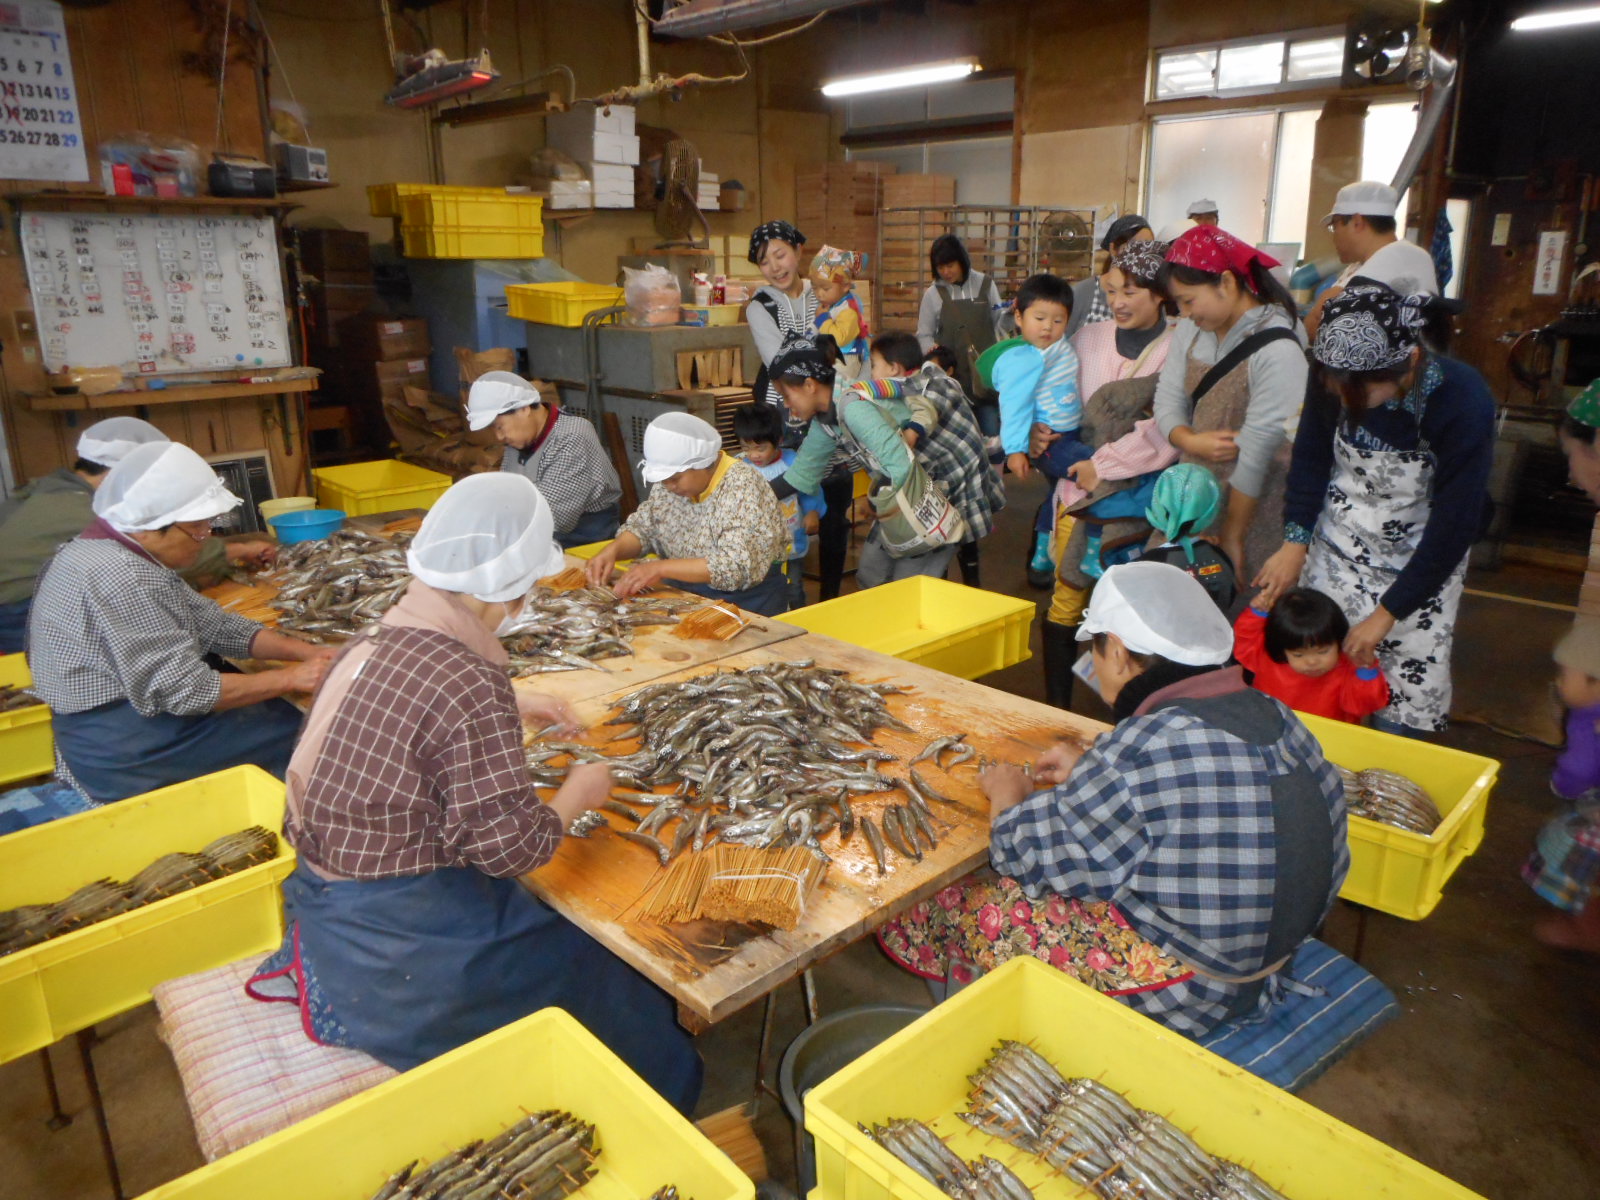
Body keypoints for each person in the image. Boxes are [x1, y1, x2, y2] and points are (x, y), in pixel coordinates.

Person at [246, 474, 702, 1109]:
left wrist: (521, 696)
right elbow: (512, 852)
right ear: (509, 590)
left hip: (326, 903)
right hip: (402, 941)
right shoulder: (466, 682)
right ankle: (661, 1100)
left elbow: (410, 690)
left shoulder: (371, 641)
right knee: (608, 980)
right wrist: (580, 789)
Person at [879, 561, 1347, 1039]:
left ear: (1119, 653)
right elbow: (1195, 791)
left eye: (1096, 650)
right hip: (1272, 957)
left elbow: (1024, 856)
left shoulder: (1145, 746)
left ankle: (986, 1036)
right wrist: (1092, 769)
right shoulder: (1274, 713)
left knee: (962, 900)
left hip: (1193, 988)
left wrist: (1009, 796)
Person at [26, 442, 333, 803]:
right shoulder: (123, 575)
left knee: (276, 710)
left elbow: (216, 626)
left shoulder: (115, 550)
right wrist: (290, 678)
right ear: (151, 528)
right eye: (197, 529)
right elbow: (189, 692)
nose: (206, 539)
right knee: (308, 728)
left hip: (123, 728)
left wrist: (303, 651)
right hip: (126, 749)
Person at [1253, 283, 1494, 736]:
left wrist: (1386, 614)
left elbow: (1455, 522)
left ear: (1411, 363)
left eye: (1361, 390)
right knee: (1315, 689)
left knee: (1400, 716)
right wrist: (1294, 542)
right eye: (1335, 385)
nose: (1345, 398)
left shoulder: (1462, 399)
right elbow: (1310, 458)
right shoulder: (1335, 371)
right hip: (1338, 547)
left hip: (1422, 563)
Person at [1038, 241, 1181, 702]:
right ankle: (1058, 709)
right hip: (1075, 494)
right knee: (1067, 597)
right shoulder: (1087, 338)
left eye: (1132, 291)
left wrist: (1100, 465)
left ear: (1161, 294)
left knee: (1125, 606)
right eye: (1112, 290)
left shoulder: (1178, 347)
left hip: (1134, 500)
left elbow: (1162, 428)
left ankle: (1125, 711)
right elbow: (1055, 396)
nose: (1118, 301)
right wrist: (1038, 432)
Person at [0, 417, 274, 652]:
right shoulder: (95, 514)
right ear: (119, 474)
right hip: (20, 613)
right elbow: (156, 560)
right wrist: (240, 550)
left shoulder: (51, 488)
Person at [768, 335, 995, 588]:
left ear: (809, 385)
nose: (787, 406)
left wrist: (875, 502)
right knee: (870, 576)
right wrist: (752, 492)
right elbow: (801, 473)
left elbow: (899, 464)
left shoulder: (853, 407)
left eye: (786, 396)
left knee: (908, 586)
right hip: (900, 490)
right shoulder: (826, 422)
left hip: (934, 485)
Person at [1153, 226, 1307, 581]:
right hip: (1191, 498)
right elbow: (1168, 398)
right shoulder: (1191, 332)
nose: (1184, 312)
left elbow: (1256, 454)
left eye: (1189, 300)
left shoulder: (1278, 349)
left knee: (1237, 606)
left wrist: (1233, 537)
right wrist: (1188, 440)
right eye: (1178, 303)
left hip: (1256, 504)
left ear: (1225, 282)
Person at [585, 412, 789, 615]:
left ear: (703, 464)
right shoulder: (669, 486)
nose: (668, 485)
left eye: (675, 478)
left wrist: (660, 568)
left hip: (746, 603)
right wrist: (614, 550)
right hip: (685, 593)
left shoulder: (743, 486)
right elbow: (645, 528)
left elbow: (734, 566)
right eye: (664, 479)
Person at [746, 219, 854, 600]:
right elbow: (778, 362)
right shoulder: (759, 306)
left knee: (836, 502)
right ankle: (786, 591)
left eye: (780, 254)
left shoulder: (823, 290)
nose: (775, 266)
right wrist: (826, 348)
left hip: (829, 403)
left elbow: (851, 338)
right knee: (787, 503)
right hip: (784, 410)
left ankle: (831, 594)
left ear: (798, 252)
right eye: (764, 261)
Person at [868, 332, 1006, 587]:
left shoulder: (932, 384)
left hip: (958, 483)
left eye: (874, 365)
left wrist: (908, 433)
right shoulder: (897, 394)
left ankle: (963, 592)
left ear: (894, 368)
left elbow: (923, 416)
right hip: (936, 484)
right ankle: (949, 586)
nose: (871, 373)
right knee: (933, 551)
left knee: (942, 550)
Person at [465, 371, 622, 549]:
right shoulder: (520, 440)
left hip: (584, 542)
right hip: (536, 535)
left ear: (524, 409)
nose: (499, 436)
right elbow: (506, 491)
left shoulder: (572, 435)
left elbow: (554, 517)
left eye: (499, 426)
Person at [1523, 619, 1600, 953]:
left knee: (1569, 848)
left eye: (1565, 675)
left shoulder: (1588, 721)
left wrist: (1561, 785)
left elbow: (1577, 770)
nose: (1558, 682)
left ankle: (1586, 931)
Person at [1304, 182, 1439, 341]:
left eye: (1335, 226)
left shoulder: (1397, 256)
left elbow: (1317, 322)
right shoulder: (1368, 261)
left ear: (1357, 222)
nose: (1334, 236)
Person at [1234, 587, 1389, 724]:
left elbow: (1364, 704)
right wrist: (1258, 612)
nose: (1312, 661)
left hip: (1328, 741)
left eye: (1323, 651)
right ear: (1281, 648)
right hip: (1274, 728)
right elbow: (1246, 638)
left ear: (1339, 640)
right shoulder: (1266, 655)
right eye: (1298, 655)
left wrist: (1365, 669)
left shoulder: (1348, 667)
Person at [734, 403, 824, 611]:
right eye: (746, 447)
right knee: (762, 588)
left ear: (779, 441)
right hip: (756, 547)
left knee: (793, 588)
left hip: (791, 542)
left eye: (761, 448)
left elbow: (810, 490)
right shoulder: (739, 467)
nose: (753, 455)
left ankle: (800, 622)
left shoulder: (793, 463)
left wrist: (812, 512)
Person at [916, 233, 1008, 405]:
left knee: (990, 426)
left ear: (962, 261)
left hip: (985, 375)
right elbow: (924, 334)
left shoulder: (986, 284)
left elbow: (1000, 323)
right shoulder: (933, 294)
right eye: (940, 268)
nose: (945, 272)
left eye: (950, 266)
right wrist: (931, 350)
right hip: (951, 379)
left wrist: (1011, 315)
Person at [1138, 463, 1238, 615]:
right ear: (1209, 514)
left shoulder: (1146, 565)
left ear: (1157, 507)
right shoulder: (1221, 557)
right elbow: (1229, 598)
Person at [1066, 214, 1153, 340]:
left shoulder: (1151, 295)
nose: (1141, 254)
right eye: (1134, 246)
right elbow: (1060, 343)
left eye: (1148, 247)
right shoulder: (1085, 291)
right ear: (1113, 249)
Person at [811, 245, 871, 383]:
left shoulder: (848, 310)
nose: (819, 294)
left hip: (846, 361)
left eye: (825, 288)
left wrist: (822, 319)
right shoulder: (832, 303)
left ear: (845, 286)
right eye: (815, 288)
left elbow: (838, 339)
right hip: (833, 357)